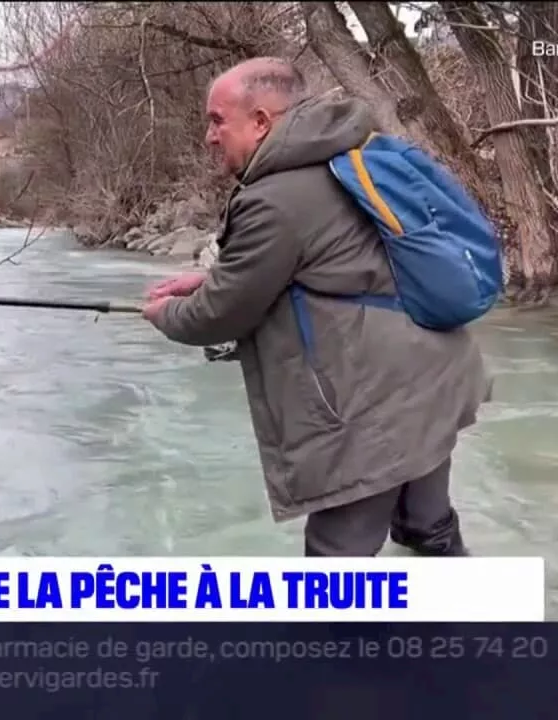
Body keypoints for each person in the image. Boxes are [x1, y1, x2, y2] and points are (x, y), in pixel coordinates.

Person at [141, 57, 490, 557]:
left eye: (218, 120)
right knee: (425, 526)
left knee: (334, 565)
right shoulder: (342, 153)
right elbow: (327, 266)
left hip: (376, 412)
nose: (209, 137)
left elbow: (219, 315)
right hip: (435, 380)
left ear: (261, 121)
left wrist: (164, 316)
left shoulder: (274, 198)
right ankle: (480, 629)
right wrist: (214, 277)